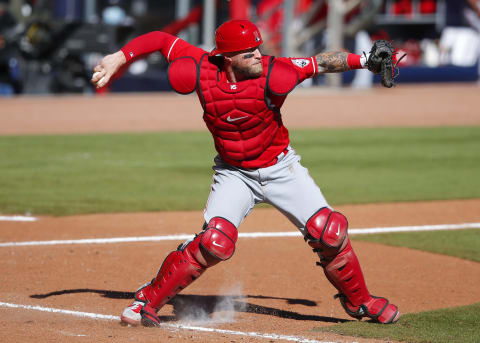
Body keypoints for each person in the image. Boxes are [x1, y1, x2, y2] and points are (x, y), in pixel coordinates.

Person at [91, 19, 400, 326]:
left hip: (280, 167)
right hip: (234, 173)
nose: (256, 54)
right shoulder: (200, 67)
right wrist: (119, 57)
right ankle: (148, 300)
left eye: (257, 48)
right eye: (247, 51)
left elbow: (320, 62)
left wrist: (365, 61)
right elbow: (159, 37)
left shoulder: (275, 71)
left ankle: (361, 302)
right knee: (215, 242)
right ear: (226, 56)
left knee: (329, 231)